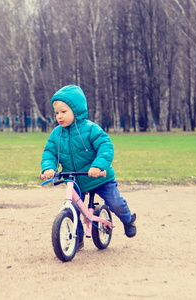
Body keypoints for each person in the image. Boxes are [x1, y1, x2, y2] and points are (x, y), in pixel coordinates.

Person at [41, 85, 136, 250]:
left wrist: (98, 166)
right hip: (75, 179)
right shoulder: (56, 134)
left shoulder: (90, 129)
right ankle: (77, 238)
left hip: (99, 177)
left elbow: (106, 146)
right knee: (74, 207)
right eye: (57, 113)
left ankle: (127, 219)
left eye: (64, 112)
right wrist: (48, 168)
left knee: (115, 202)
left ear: (76, 111)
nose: (59, 116)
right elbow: (50, 152)